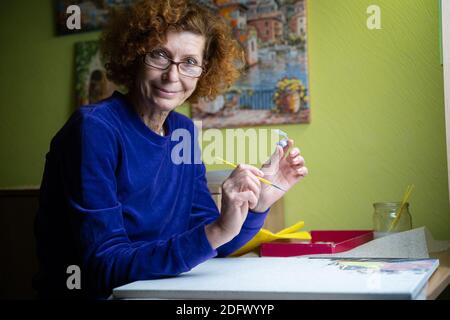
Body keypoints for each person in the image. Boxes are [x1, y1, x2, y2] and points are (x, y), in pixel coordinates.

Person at [34, 0, 308, 299]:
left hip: (159, 292)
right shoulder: (93, 129)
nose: (173, 76)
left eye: (190, 62)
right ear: (134, 55)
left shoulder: (184, 131)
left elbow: (213, 242)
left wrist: (257, 206)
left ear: (204, 71)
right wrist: (214, 233)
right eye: (160, 55)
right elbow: (103, 265)